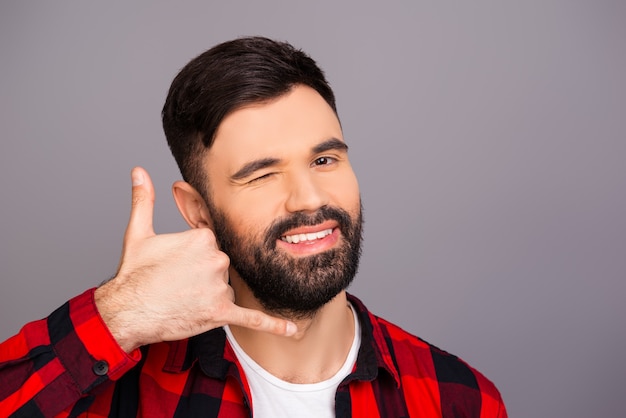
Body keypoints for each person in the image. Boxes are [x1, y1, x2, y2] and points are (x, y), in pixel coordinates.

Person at [0, 36, 507, 417]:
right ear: (197, 211)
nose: (309, 199)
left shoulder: (457, 398)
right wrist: (118, 315)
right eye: (262, 175)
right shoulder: (119, 396)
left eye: (325, 160)